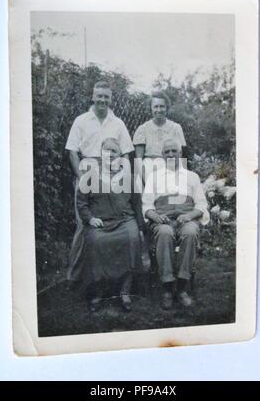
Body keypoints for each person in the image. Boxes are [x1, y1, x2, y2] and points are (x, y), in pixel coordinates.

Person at [65, 81, 134, 282]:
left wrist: (123, 179)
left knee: (116, 221)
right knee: (84, 224)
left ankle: (114, 275)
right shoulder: (81, 120)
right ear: (93, 97)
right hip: (87, 171)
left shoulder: (118, 123)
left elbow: (127, 154)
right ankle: (75, 275)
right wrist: (82, 178)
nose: (102, 100)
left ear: (111, 99)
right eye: (99, 96)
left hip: (113, 176)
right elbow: (72, 151)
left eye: (106, 96)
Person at [77, 138, 144, 312]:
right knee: (96, 242)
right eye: (107, 150)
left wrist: (141, 228)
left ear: (120, 155)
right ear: (101, 153)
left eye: (114, 151)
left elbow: (137, 204)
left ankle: (125, 291)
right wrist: (90, 219)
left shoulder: (128, 178)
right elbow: (82, 203)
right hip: (100, 223)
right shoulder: (89, 177)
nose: (110, 154)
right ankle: (99, 292)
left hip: (125, 221)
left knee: (133, 237)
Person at [142, 139, 209, 310]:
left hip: (185, 218)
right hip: (163, 220)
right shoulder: (154, 177)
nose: (171, 154)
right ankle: (166, 288)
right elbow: (147, 205)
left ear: (180, 154)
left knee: (191, 233)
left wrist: (189, 215)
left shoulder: (192, 177)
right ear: (162, 156)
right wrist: (155, 217)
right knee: (164, 233)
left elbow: (201, 205)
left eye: (174, 151)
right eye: (167, 152)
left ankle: (181, 287)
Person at [133, 90, 186, 185]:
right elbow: (138, 159)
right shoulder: (143, 129)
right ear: (151, 108)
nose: (159, 110)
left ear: (166, 108)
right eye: (155, 107)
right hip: (148, 167)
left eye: (162, 106)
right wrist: (144, 178)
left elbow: (180, 156)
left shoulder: (176, 128)